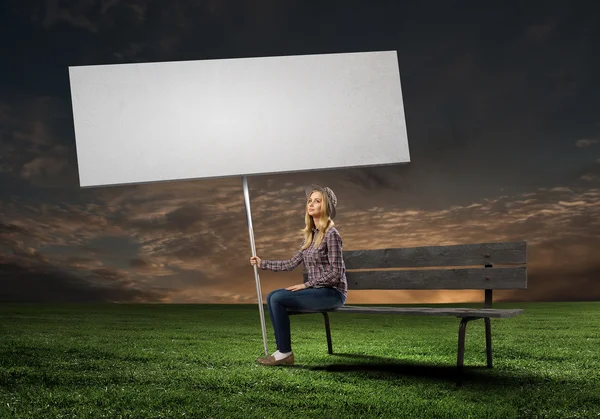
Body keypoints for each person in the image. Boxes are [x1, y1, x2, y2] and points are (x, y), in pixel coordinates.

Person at [249, 184, 347, 366]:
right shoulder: (310, 237)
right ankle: (282, 351)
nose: (311, 204)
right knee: (272, 296)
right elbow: (291, 263)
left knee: (277, 298)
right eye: (310, 200)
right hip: (317, 291)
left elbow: (336, 274)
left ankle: (284, 353)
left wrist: (306, 285)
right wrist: (263, 263)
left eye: (317, 201)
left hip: (332, 294)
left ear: (325, 207)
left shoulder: (332, 234)